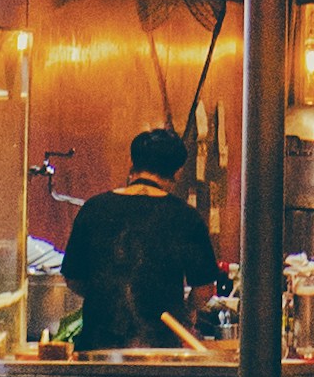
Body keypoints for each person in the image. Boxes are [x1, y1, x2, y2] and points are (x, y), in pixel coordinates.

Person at [52, 123, 216, 354]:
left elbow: (73, 278)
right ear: (177, 172)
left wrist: (106, 297)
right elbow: (205, 290)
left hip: (97, 349)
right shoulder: (185, 217)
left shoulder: (94, 208)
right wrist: (187, 311)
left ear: (132, 164)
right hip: (160, 351)